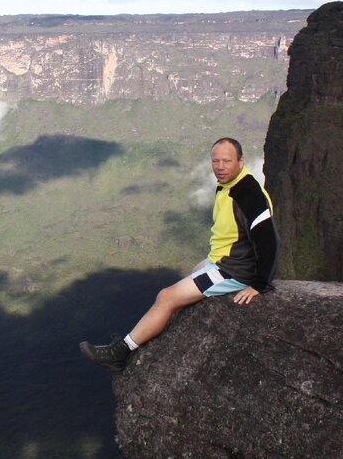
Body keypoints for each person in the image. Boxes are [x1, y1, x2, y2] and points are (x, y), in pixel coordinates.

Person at [79, 137, 280, 373]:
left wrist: (259, 284)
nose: (220, 166)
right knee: (195, 270)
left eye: (227, 161)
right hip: (223, 260)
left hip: (233, 270)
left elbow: (269, 240)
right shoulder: (230, 184)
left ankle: (121, 352)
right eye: (215, 161)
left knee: (166, 297)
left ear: (241, 161)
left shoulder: (249, 195)